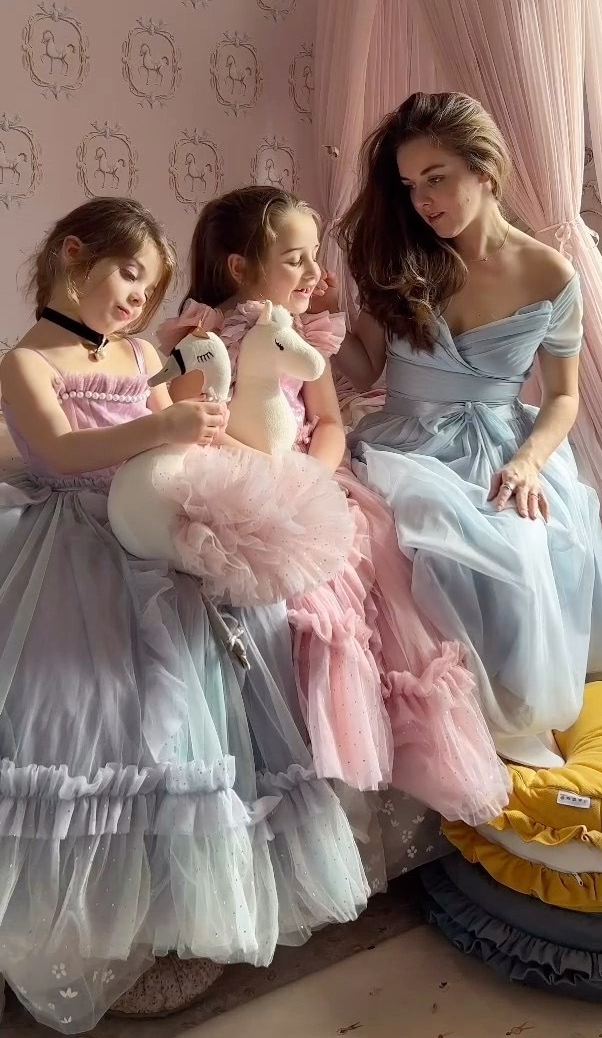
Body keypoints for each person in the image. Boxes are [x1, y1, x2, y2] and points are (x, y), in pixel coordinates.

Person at [0, 198, 367, 1033]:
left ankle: (180, 910)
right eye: (129, 274)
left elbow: (190, 433)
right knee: (92, 708)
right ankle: (101, 921)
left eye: (151, 285)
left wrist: (239, 448)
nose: (139, 297)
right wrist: (159, 424)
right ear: (73, 255)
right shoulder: (26, 361)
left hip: (157, 526)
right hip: (78, 535)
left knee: (207, 692)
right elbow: (59, 450)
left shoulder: (139, 352)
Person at [159, 185, 509, 825]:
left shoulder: (305, 335)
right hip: (233, 474)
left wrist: (314, 474)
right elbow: (195, 424)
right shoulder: (201, 338)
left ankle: (377, 742)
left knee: (369, 565)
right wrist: (264, 470)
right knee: (283, 589)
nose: (316, 274)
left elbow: (328, 422)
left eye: (314, 256)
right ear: (239, 268)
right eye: (296, 260)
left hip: (309, 475)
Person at [324, 91, 602, 768]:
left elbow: (564, 397)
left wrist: (528, 461)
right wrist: (325, 322)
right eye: (410, 185)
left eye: (436, 179)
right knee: (430, 527)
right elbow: (366, 368)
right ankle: (446, 734)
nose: (422, 201)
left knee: (526, 542)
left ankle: (512, 728)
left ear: (484, 169)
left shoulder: (549, 273)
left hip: (504, 444)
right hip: (407, 440)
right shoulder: (398, 258)